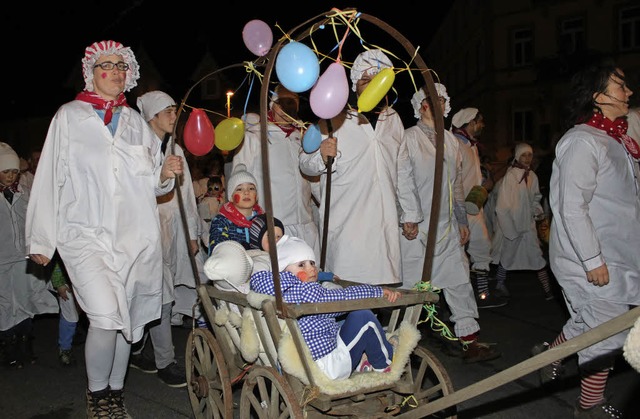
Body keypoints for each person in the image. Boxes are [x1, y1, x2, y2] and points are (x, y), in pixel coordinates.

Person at [25, 40, 183, 418]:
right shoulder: (69, 116)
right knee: (103, 314)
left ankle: (114, 394)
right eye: (105, 66)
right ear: (91, 73)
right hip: (84, 234)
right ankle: (97, 396)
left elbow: (153, 183)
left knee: (126, 319)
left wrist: (164, 174)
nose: (114, 72)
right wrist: (41, 237)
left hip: (133, 237)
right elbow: (48, 177)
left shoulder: (134, 123)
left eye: (120, 66)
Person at [531, 59, 635, 418]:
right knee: (606, 331)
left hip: (618, 255)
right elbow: (570, 207)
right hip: (585, 259)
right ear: (598, 97)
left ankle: (550, 354)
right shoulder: (580, 142)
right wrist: (593, 261)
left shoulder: (616, 140)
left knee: (590, 321)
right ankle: (589, 405)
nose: (629, 92)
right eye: (621, 86)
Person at [397, 85, 501, 363]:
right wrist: (408, 215)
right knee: (413, 286)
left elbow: (455, 184)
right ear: (421, 106)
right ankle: (399, 345)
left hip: (445, 224)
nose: (440, 104)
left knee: (458, 280)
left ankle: (470, 341)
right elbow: (402, 179)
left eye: (443, 99)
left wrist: (461, 220)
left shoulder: (451, 141)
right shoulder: (408, 138)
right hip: (417, 226)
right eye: (434, 100)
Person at [299, 49, 403, 285]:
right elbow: (305, 163)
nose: (372, 84)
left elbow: (403, 169)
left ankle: (374, 322)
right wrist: (322, 157)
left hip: (383, 219)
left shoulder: (393, 119)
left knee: (381, 287)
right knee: (345, 285)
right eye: (365, 79)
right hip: (347, 223)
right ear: (355, 84)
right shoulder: (332, 117)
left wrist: (409, 214)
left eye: (378, 79)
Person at [250, 234, 401, 379]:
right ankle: (384, 363)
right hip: (327, 367)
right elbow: (344, 297)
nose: (311, 269)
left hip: (314, 362)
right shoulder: (306, 291)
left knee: (344, 322)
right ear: (282, 271)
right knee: (362, 316)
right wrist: (377, 291)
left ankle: (363, 360)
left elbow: (259, 279)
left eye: (312, 263)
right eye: (301, 265)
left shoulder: (283, 290)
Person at [129, 90, 200, 388]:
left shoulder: (175, 150)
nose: (175, 116)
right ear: (152, 117)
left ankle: (135, 346)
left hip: (169, 231)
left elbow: (186, 196)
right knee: (160, 294)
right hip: (143, 231)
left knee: (158, 291)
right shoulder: (136, 148)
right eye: (168, 111)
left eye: (175, 110)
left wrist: (192, 233)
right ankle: (165, 362)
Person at [233, 84, 321, 257]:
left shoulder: (303, 138)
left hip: (305, 224)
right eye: (283, 103)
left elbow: (314, 179)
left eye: (293, 102)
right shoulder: (255, 136)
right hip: (273, 227)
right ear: (272, 105)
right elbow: (239, 177)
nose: (288, 108)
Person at [0, 142, 59, 368]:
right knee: (5, 304)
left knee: (25, 303)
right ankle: (9, 349)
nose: (11, 176)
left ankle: (25, 346)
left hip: (22, 259)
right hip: (2, 259)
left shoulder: (25, 193)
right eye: (6, 171)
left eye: (14, 171)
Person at [451, 107, 506, 308]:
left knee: (482, 247)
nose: (482, 126)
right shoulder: (455, 144)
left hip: (474, 207)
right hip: (458, 210)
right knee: (457, 256)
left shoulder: (471, 146)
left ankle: (482, 294)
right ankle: (458, 302)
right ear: (471, 122)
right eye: (480, 121)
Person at [490, 142, 554, 301]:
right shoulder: (510, 177)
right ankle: (499, 285)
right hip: (512, 226)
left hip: (528, 226)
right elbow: (502, 205)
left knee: (537, 257)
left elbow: (535, 198)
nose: (527, 158)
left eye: (530, 155)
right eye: (524, 155)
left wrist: (537, 211)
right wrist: (510, 230)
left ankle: (548, 290)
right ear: (518, 156)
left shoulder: (532, 176)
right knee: (507, 257)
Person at [208, 163, 264, 253]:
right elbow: (218, 248)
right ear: (231, 197)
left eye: (251, 188)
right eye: (239, 189)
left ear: (256, 196)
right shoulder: (221, 221)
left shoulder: (263, 220)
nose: (246, 192)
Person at [49, 257, 81, 366]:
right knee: (70, 316)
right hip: (67, 282)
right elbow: (57, 257)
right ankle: (65, 348)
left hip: (85, 281)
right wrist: (59, 283)